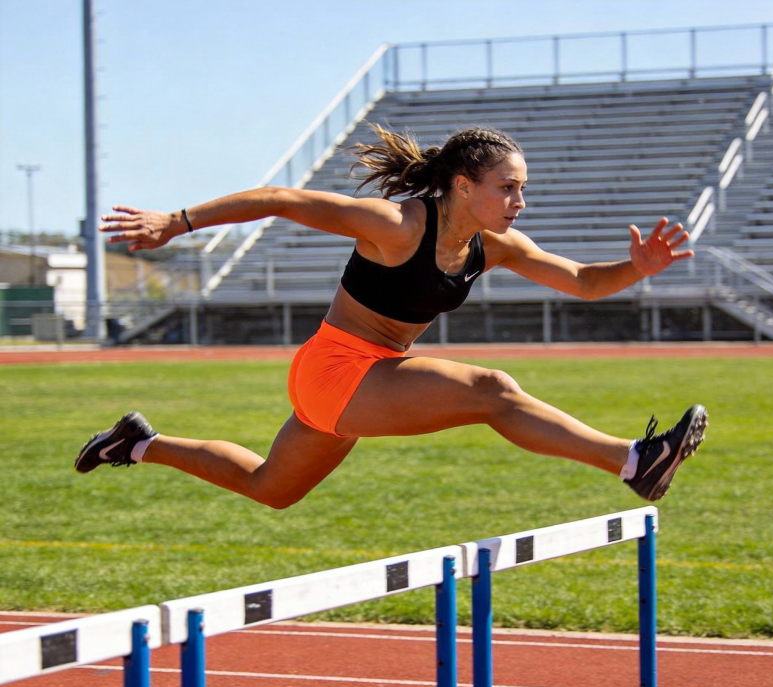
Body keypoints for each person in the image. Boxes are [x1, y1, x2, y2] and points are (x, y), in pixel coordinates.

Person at [75, 125, 707, 507]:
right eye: (508, 187)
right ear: (463, 185)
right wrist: (176, 222)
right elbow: (282, 199)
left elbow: (584, 281)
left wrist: (636, 269)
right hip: (337, 370)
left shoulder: (497, 245)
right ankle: (633, 461)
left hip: (372, 378)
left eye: (523, 188)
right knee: (492, 390)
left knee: (271, 488)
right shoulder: (398, 225)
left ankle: (138, 444)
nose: (520, 200)